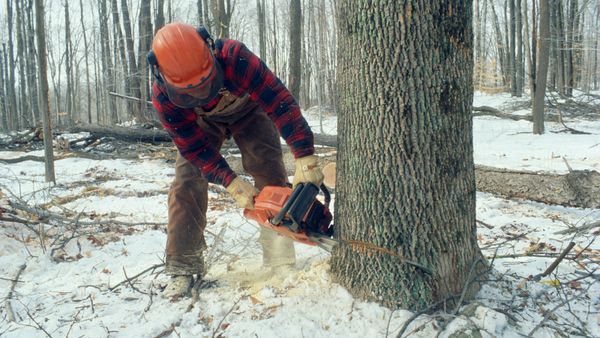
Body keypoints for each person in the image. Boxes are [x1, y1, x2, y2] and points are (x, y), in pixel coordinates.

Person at [148, 22, 324, 297]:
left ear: (210, 50)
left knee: (269, 170)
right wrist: (230, 182)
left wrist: (305, 155)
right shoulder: (163, 97)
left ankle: (279, 258)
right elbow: (193, 148)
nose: (199, 93)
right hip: (200, 122)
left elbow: (279, 102)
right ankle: (183, 264)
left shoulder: (235, 57)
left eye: (205, 83)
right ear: (162, 77)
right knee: (186, 180)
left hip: (248, 110)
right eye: (188, 91)